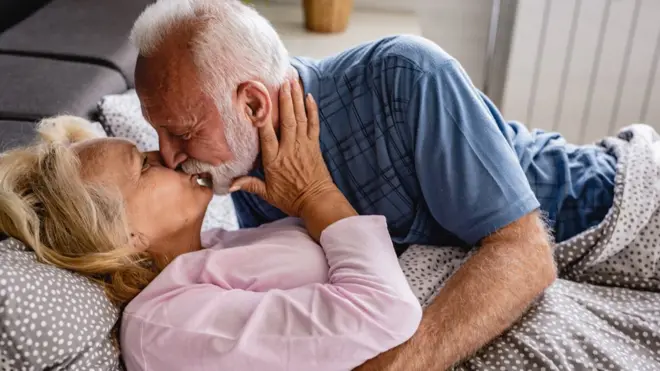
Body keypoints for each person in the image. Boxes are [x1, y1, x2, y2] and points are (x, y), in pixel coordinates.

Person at [129, 1, 576, 369]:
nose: (168, 157)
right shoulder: (243, 167)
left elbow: (526, 252)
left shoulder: (406, 74)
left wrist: (397, 365)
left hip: (583, 194)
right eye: (158, 132)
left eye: (183, 132)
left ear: (253, 104)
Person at [0, 82, 421, 371]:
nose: (168, 156)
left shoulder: (212, 248)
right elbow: (386, 311)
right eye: (144, 165)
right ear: (123, 236)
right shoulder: (168, 325)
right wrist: (316, 194)